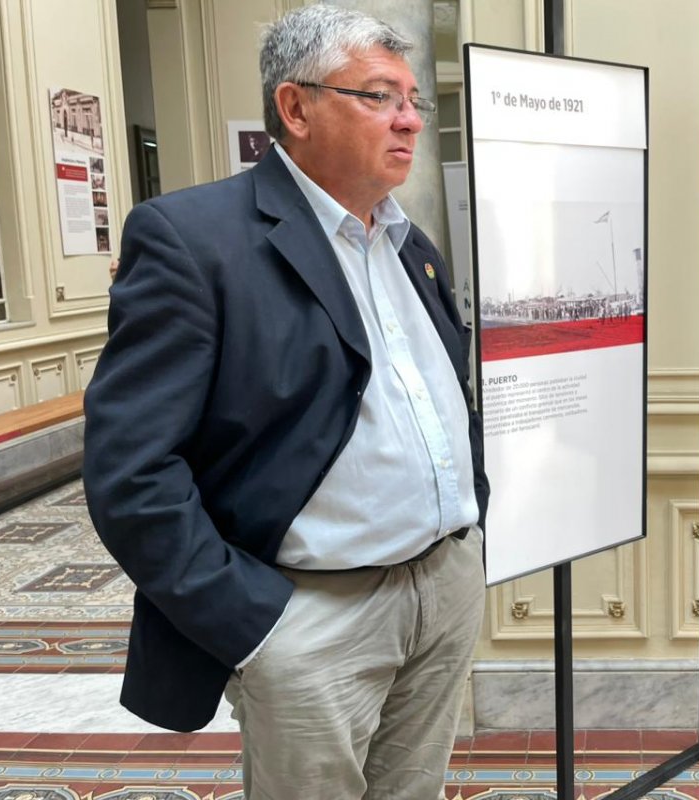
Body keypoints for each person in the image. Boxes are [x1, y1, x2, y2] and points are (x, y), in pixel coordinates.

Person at [82, 6, 488, 799]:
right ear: (295, 108)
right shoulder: (193, 239)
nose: (409, 119)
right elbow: (131, 470)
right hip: (311, 615)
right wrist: (256, 625)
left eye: (412, 100)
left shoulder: (411, 246)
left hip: (443, 586)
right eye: (379, 96)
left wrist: (470, 537)